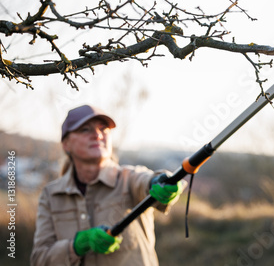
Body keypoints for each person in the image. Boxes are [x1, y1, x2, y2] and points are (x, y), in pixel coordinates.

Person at [31, 105, 184, 265]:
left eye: (103, 129)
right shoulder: (51, 195)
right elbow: (40, 260)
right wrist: (75, 246)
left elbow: (146, 181)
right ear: (66, 144)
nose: (97, 135)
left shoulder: (129, 179)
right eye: (85, 130)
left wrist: (159, 182)